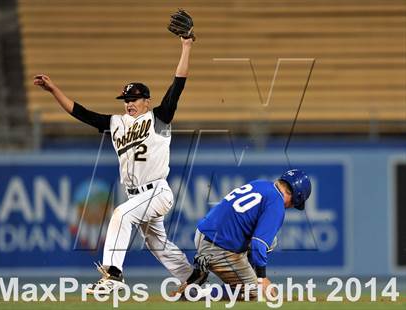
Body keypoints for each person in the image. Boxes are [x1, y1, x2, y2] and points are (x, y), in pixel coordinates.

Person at [33, 36, 194, 294]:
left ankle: (113, 274)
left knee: (120, 214)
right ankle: (193, 277)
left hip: (156, 192)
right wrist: (54, 91)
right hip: (138, 196)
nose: (129, 103)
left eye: (134, 98)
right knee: (156, 243)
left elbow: (178, 86)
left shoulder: (159, 118)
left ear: (146, 101)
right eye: (126, 99)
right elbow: (81, 113)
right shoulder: (116, 123)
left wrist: (186, 46)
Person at [178, 169, 312, 300]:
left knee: (272, 241)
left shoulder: (261, 184)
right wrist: (261, 278)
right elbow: (258, 242)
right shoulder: (277, 204)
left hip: (204, 233)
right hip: (217, 246)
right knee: (253, 292)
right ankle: (194, 294)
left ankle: (236, 275)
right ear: (297, 197)